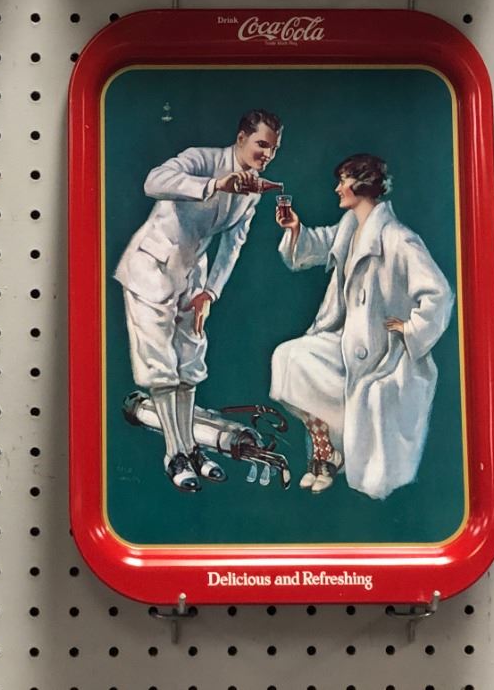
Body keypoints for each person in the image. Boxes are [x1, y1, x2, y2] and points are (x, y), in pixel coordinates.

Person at [112, 110, 284, 493]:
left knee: (190, 364)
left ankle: (190, 447)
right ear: (241, 138)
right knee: (162, 368)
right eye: (261, 144)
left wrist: (211, 292)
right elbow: (153, 182)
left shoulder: (254, 190)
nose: (267, 154)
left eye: (273, 149)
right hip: (151, 271)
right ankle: (175, 454)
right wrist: (216, 184)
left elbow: (234, 243)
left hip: (193, 278)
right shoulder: (201, 159)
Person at [270, 153, 453, 499]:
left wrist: (410, 329)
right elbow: (316, 245)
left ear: (362, 183)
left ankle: (328, 460)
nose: (337, 188)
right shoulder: (349, 227)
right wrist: (294, 229)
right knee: (288, 359)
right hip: (345, 341)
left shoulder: (398, 238)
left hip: (381, 351)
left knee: (365, 394)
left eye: (343, 180)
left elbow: (439, 293)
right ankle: (326, 450)